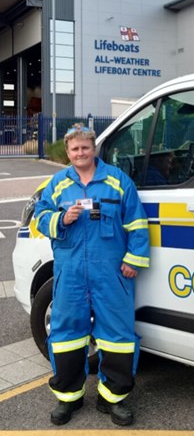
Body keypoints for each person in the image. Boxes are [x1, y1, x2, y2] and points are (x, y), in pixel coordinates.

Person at [34, 124, 150, 427]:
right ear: (68, 152)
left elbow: (137, 223)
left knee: (118, 337)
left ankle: (113, 398)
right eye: (74, 149)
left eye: (85, 147)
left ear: (93, 148)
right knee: (66, 336)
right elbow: (40, 217)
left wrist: (133, 260)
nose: (80, 153)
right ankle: (68, 397)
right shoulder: (58, 184)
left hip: (111, 274)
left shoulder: (117, 181)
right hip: (70, 274)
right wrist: (61, 218)